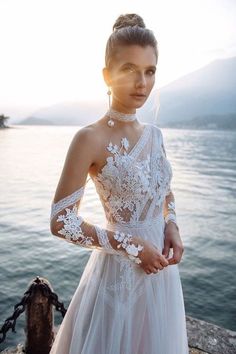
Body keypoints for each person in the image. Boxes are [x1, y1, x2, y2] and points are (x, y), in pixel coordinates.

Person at [49, 13, 189, 354]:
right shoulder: (90, 138)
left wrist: (171, 224)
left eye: (150, 71)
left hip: (161, 274)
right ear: (107, 75)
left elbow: (164, 191)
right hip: (119, 277)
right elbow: (61, 221)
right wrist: (131, 246)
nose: (141, 83)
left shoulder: (155, 136)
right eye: (129, 69)